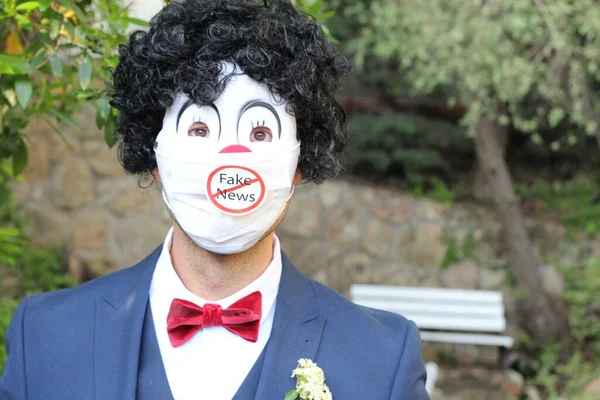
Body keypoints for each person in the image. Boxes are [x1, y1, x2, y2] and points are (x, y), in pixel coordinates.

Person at [0, 0, 429, 399]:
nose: (230, 157)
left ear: (300, 163)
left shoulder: (382, 360)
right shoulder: (43, 336)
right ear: (154, 156)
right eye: (200, 130)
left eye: (260, 133)